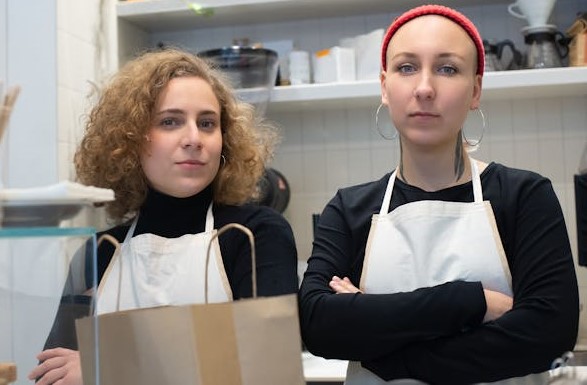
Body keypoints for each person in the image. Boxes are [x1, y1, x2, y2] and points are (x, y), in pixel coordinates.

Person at [298, 4, 579, 385]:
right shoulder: (349, 209)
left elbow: (548, 335)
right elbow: (317, 326)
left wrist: (383, 344)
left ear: (475, 90)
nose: (425, 88)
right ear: (384, 87)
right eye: (406, 67)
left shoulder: (525, 196)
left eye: (447, 69)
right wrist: (472, 302)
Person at [28, 47, 299, 385]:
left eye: (207, 123)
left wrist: (106, 364)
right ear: (129, 139)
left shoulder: (254, 235)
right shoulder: (100, 251)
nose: (194, 139)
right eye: (170, 121)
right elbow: (54, 373)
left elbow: (267, 361)